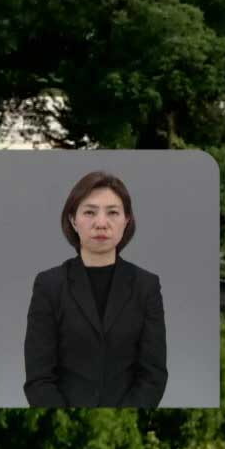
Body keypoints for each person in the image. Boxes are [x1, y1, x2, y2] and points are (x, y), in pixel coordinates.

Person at [23, 172, 168, 407]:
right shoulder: (49, 285)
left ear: (126, 220)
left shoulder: (146, 286)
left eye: (113, 212)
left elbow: (153, 376)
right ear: (73, 220)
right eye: (89, 212)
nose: (101, 223)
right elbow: (39, 379)